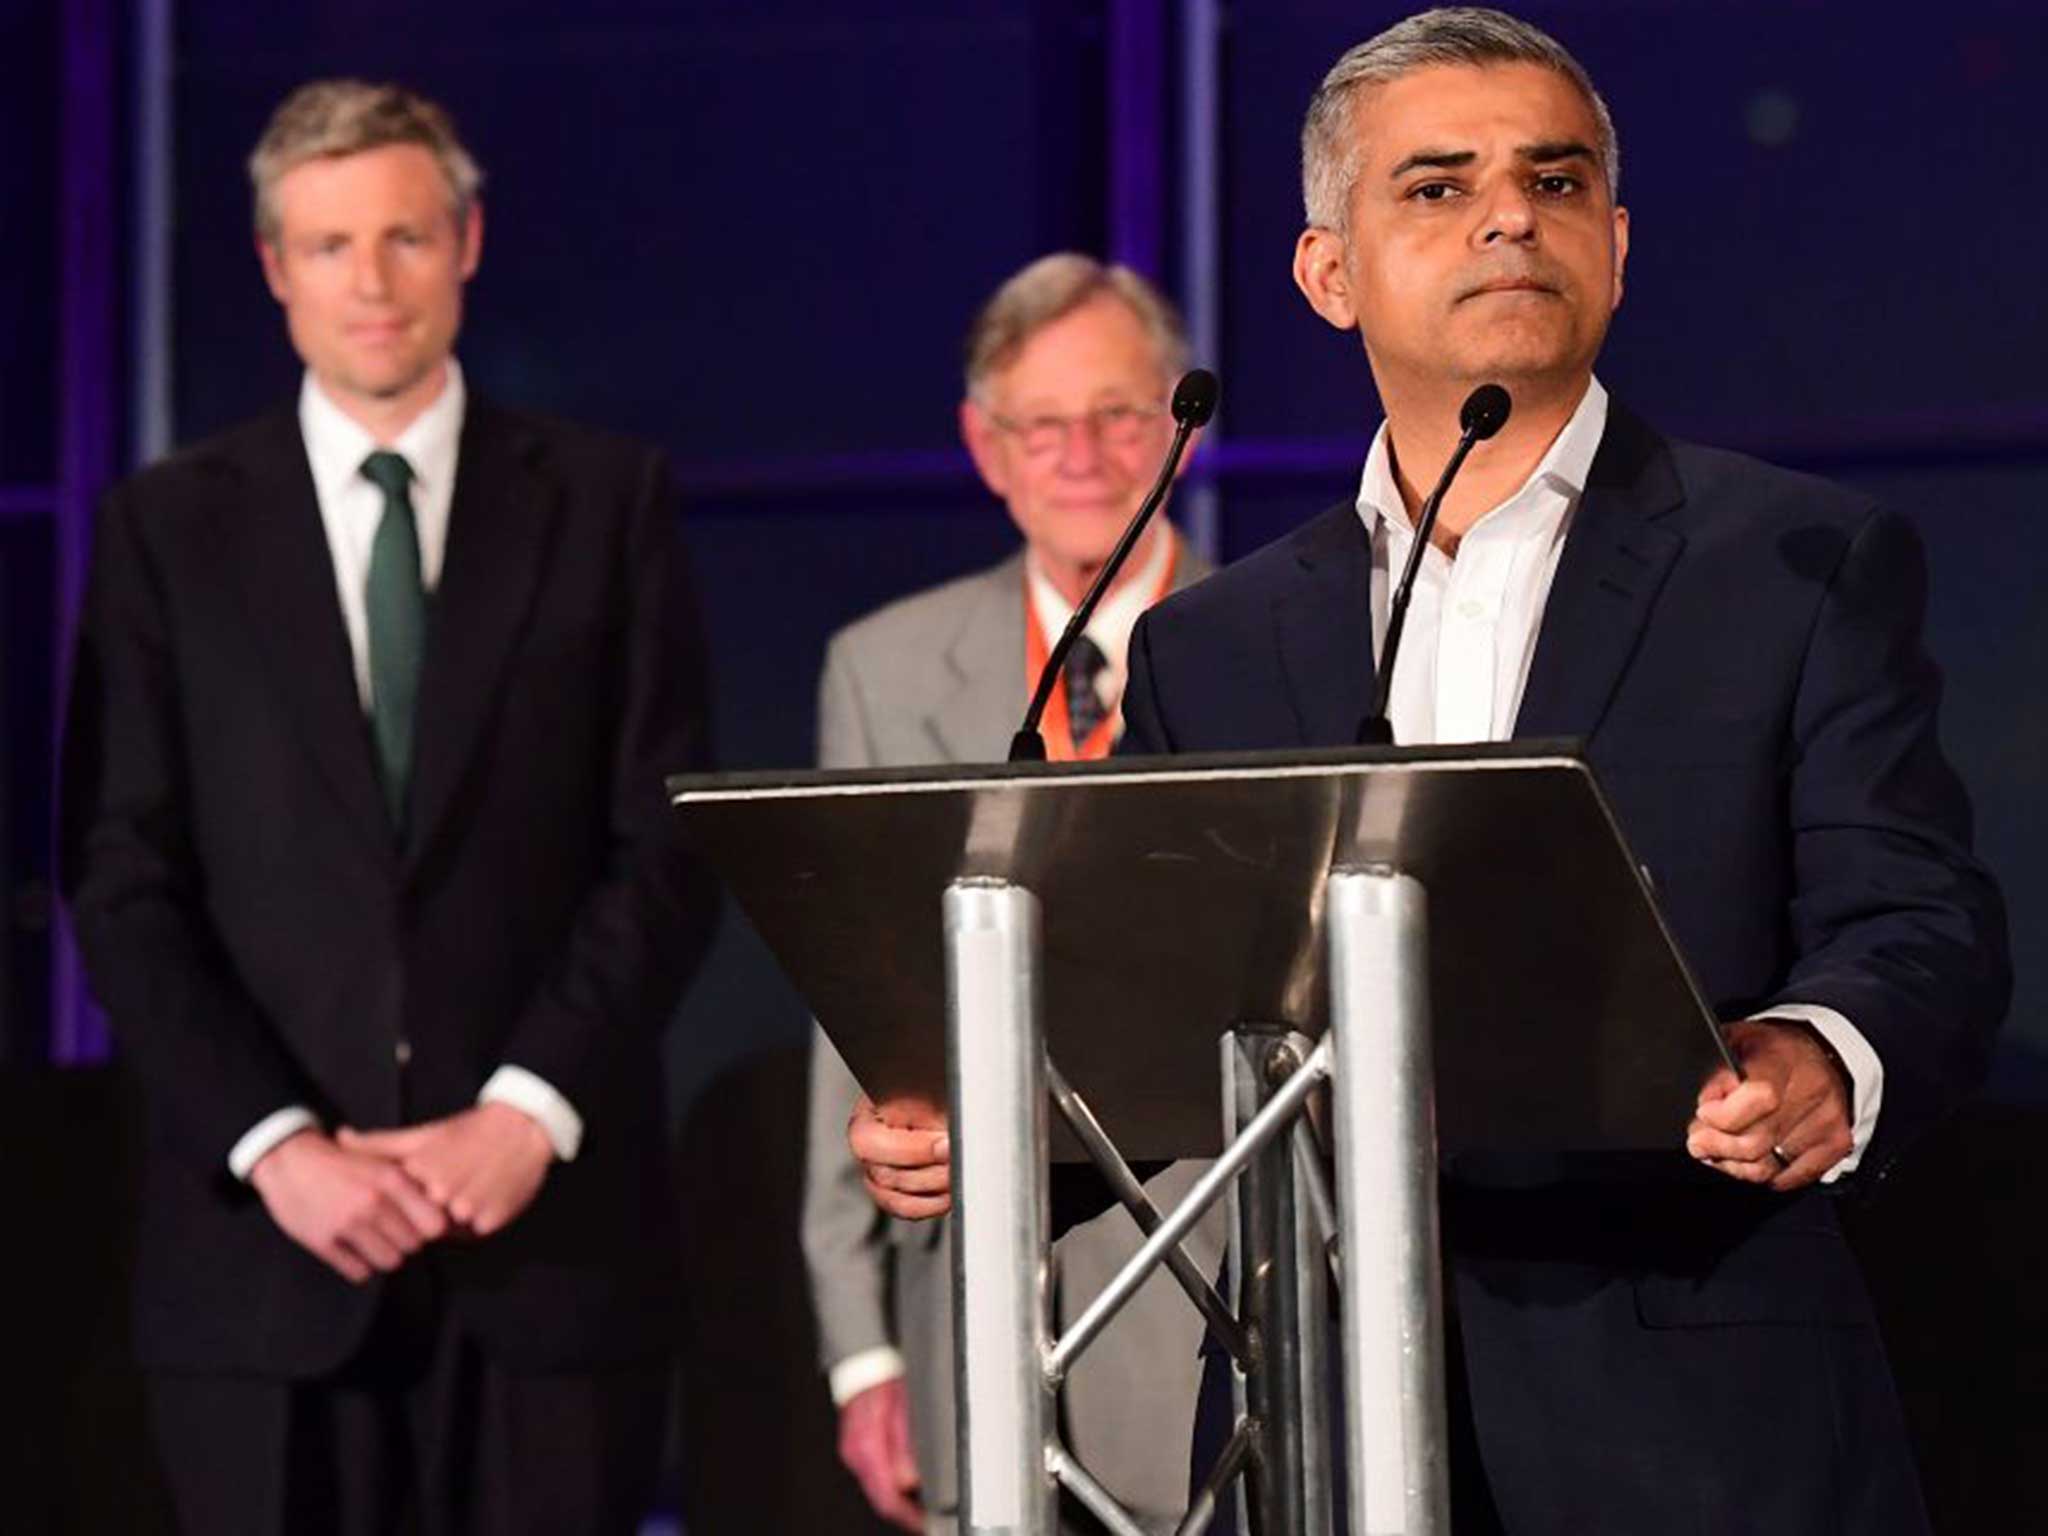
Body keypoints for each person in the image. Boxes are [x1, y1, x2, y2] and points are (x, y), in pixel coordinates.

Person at [851, 10, 2010, 1534]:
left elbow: (1921, 920)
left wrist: (1818, 1052)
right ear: (1328, 274)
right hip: (1310, 1422)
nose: (1511, 217)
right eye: (1439, 187)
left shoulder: (1793, 563)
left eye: (1557, 179)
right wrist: (990, 1123)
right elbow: (1141, 1008)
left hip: (1693, 1422)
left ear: (1616, 240)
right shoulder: (1214, 642)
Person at [60, 79, 715, 1535]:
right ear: (274, 266)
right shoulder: (163, 529)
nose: (372, 282)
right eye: (331, 244)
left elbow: (668, 846)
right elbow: (119, 877)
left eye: (405, 237)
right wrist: (275, 1143)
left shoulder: (606, 503)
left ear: (466, 242)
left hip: (549, 1256)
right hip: (260, 1268)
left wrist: (525, 1111)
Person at [803, 253, 1221, 1535]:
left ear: (1178, 432)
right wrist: (860, 1347)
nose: (1081, 455)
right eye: (1042, 425)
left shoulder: (1289, 645)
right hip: (977, 1312)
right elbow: (850, 1018)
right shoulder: (880, 667)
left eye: (1116, 416)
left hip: (1233, 1303)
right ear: (985, 449)